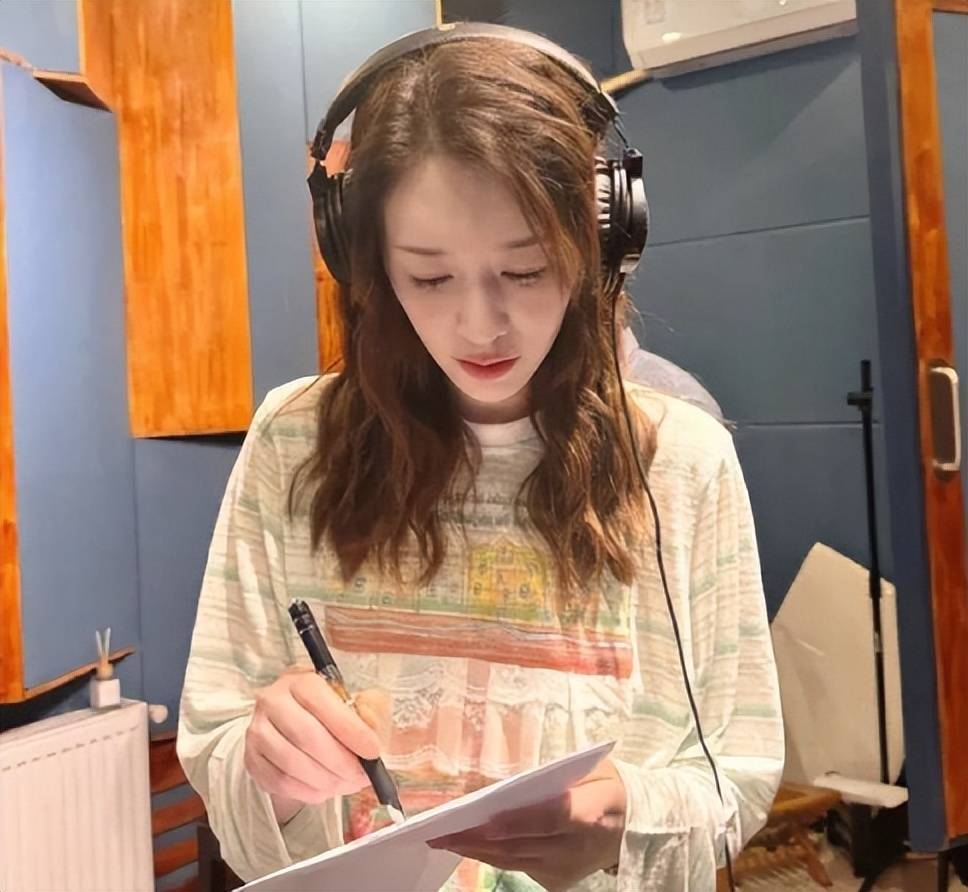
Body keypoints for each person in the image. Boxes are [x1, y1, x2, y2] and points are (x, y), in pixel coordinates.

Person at [177, 24, 783, 892]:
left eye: (525, 271)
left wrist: (627, 821)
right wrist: (266, 769)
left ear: (600, 243)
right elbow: (220, 752)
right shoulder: (292, 443)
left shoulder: (681, 462)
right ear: (366, 261)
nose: (480, 326)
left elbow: (736, 776)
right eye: (430, 278)